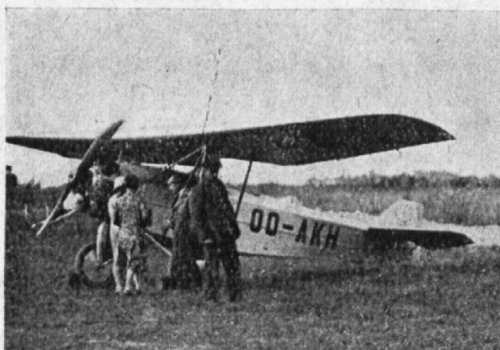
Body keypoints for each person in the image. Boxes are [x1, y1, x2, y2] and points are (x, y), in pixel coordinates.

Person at [189, 157, 242, 302]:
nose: (214, 174)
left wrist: (234, 227)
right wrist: (204, 235)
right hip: (211, 235)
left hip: (225, 234)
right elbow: (196, 216)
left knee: (232, 266)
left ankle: (234, 296)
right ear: (204, 171)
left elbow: (228, 208)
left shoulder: (220, 187)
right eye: (212, 171)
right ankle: (210, 297)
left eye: (216, 171)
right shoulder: (198, 190)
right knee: (211, 268)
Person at [108, 174, 148, 295]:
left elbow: (114, 219)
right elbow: (145, 217)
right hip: (134, 233)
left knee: (118, 260)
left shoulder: (117, 200)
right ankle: (128, 286)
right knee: (134, 261)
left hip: (121, 233)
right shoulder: (139, 200)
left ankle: (120, 286)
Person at [167, 174, 202, 291]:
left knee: (183, 257)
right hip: (179, 230)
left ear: (177, 184)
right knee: (182, 257)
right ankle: (183, 283)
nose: (169, 188)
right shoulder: (180, 196)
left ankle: (188, 283)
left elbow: (181, 215)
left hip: (183, 231)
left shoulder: (184, 196)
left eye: (171, 185)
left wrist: (172, 223)